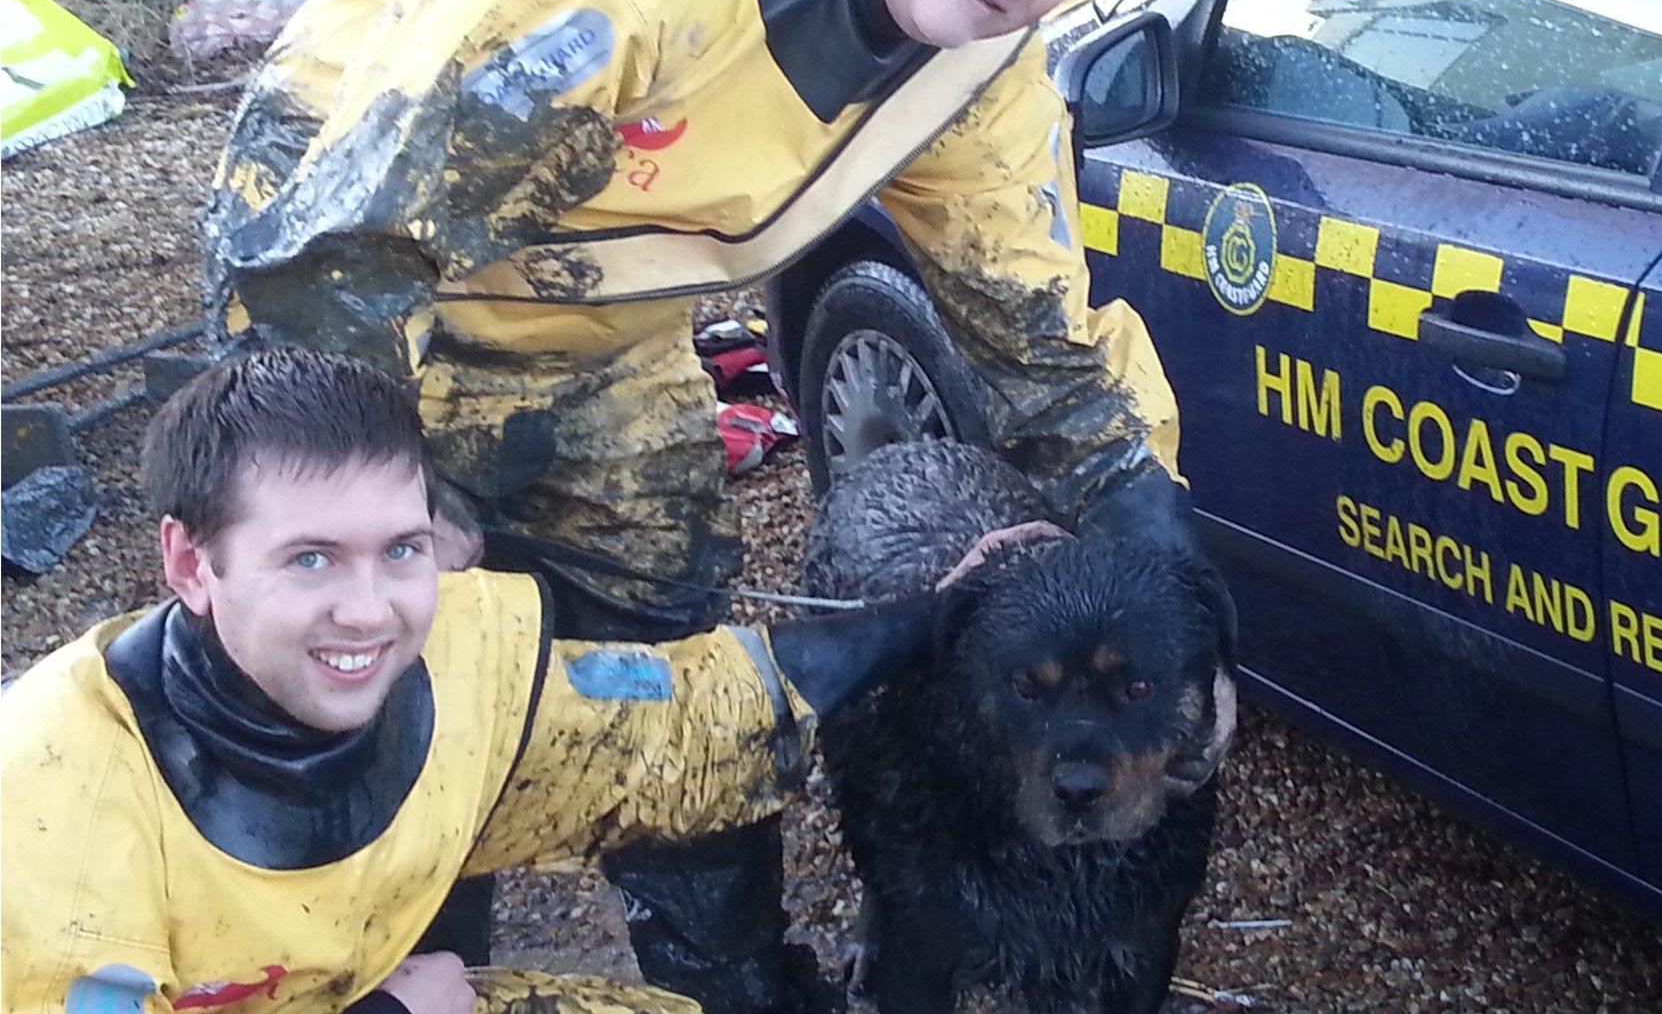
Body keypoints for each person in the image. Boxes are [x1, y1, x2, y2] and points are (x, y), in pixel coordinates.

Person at [199, 0, 1204, 1005]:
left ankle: (733, 983)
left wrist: (1145, 517)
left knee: (677, 658)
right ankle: (405, 967)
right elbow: (331, 266)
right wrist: (399, 516)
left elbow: (1037, 333)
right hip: (349, 272)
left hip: (588, 314)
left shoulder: (980, 67)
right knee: (381, 665)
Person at [0, 348, 962, 1014]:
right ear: (190, 563)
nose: (371, 612)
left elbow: (683, 718)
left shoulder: (462, 662)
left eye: (402, 549)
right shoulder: (54, 805)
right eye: (310, 560)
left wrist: (939, 611)